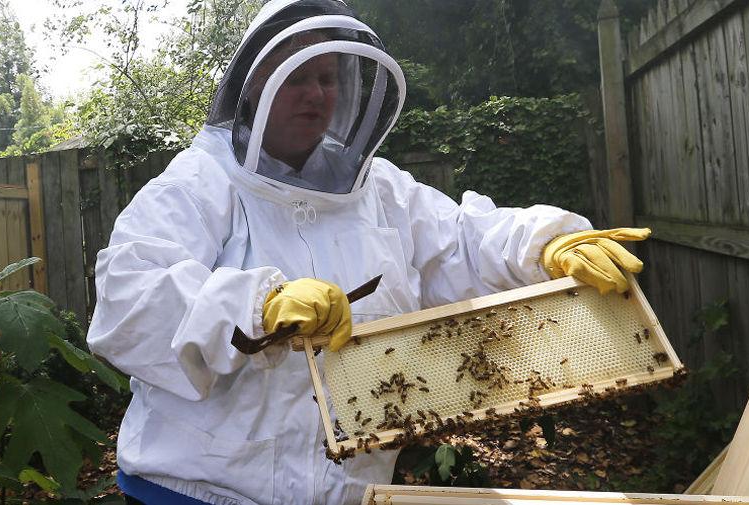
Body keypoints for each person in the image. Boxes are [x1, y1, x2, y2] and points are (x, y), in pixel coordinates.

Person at [86, 1, 650, 503]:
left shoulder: (379, 190)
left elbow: (462, 241)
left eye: (328, 78)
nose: (316, 95)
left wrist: (543, 244)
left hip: (346, 487)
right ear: (255, 84)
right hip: (197, 488)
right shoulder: (199, 181)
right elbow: (130, 294)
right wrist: (255, 306)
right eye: (297, 78)